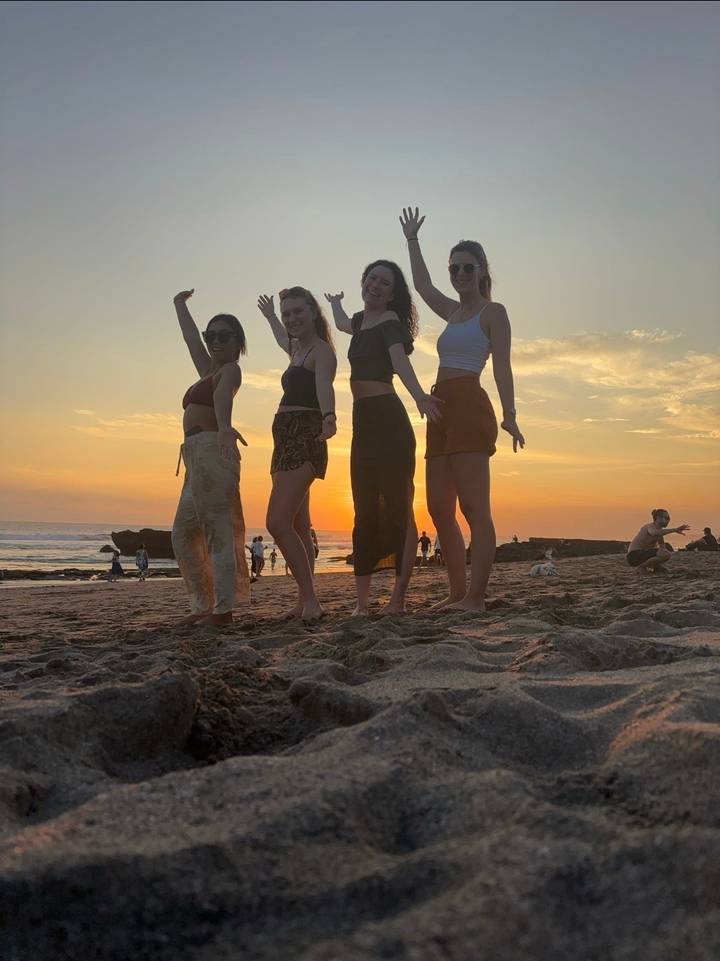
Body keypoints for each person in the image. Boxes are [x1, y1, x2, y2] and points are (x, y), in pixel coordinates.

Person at [400, 207, 525, 612]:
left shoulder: (494, 312)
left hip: (470, 405)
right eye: (454, 268)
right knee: (439, 507)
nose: (460, 275)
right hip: (439, 408)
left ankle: (475, 597)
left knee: (474, 507)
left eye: (467, 268)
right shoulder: (452, 312)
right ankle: (455, 593)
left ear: (482, 269)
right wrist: (413, 239)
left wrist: (510, 413)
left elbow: (502, 365)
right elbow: (421, 284)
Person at [325, 260, 442, 616]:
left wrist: (420, 395)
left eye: (384, 283)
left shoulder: (390, 323)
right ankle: (361, 604)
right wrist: (334, 304)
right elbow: (344, 324)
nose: (375, 285)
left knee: (399, 509)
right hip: (363, 426)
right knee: (363, 508)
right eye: (372, 278)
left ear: (392, 295)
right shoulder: (361, 322)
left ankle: (398, 598)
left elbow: (399, 362)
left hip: (390, 422)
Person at [171, 289, 250, 627]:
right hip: (194, 457)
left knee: (218, 533)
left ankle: (222, 612)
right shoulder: (207, 369)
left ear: (237, 343)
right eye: (211, 335)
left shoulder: (229, 371)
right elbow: (190, 341)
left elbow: (223, 398)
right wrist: (179, 305)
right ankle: (203, 606)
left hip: (212, 450)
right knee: (183, 534)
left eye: (223, 335)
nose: (215, 341)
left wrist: (226, 427)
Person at [258, 288, 337, 621]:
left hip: (306, 435)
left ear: (314, 312)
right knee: (299, 526)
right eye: (287, 313)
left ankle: (312, 602)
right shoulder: (295, 348)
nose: (291, 319)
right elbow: (281, 337)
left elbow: (324, 386)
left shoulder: (321, 351)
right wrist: (271, 316)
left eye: (297, 312)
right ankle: (306, 600)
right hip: (283, 439)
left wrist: (330, 417)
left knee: (276, 522)